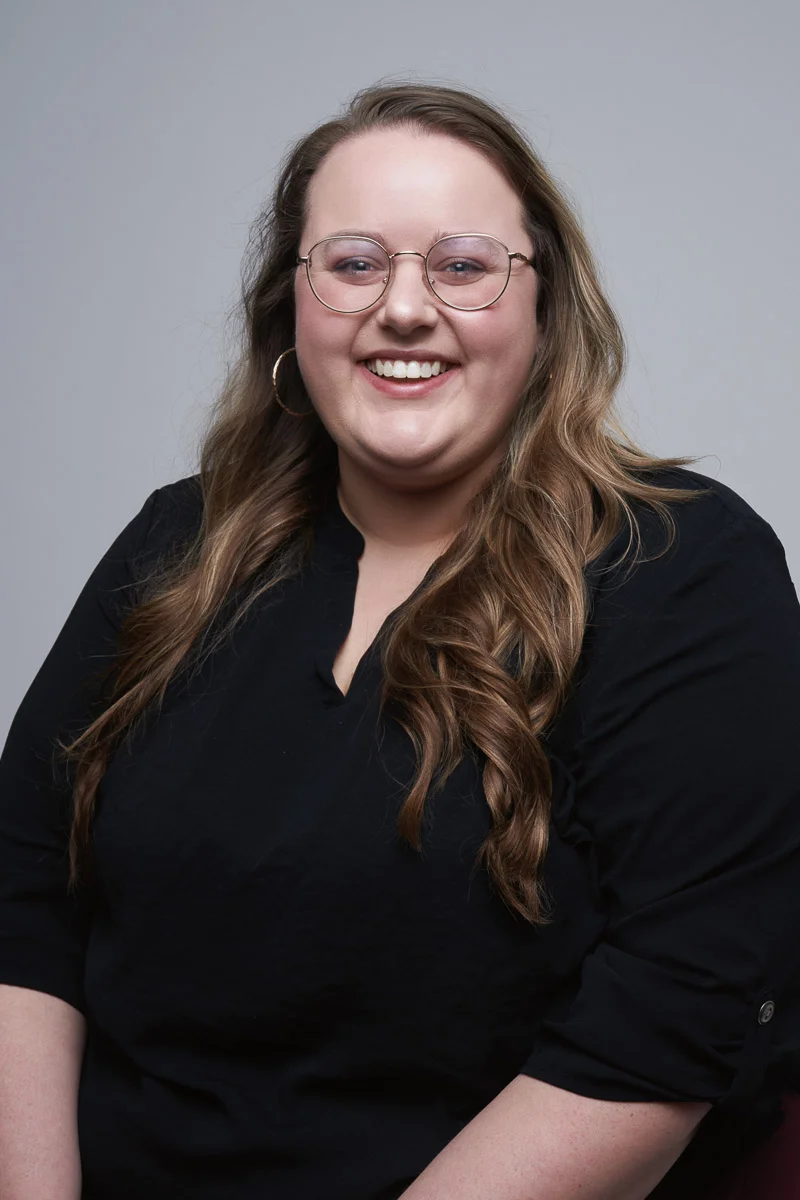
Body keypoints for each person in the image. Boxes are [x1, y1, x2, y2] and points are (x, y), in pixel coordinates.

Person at [0, 81, 798, 1200]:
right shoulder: (175, 542)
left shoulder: (682, 568)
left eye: (464, 264)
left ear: (543, 308)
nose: (405, 308)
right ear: (292, 306)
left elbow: (673, 1011)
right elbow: (22, 902)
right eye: (355, 261)